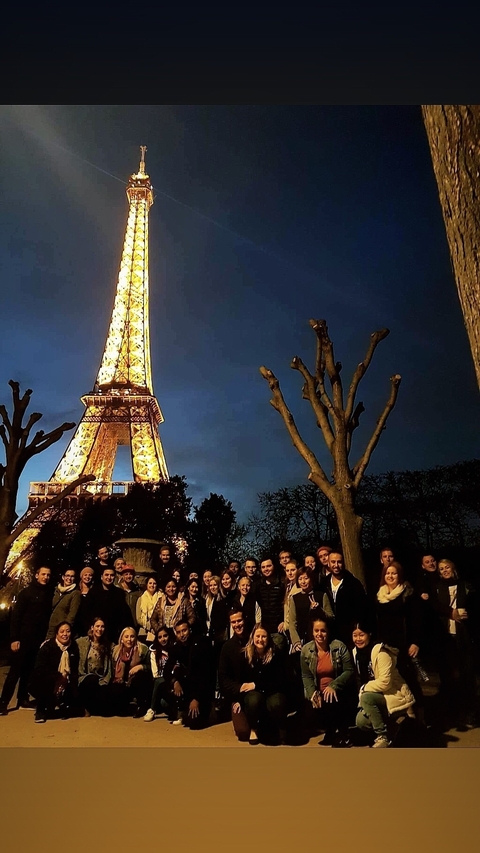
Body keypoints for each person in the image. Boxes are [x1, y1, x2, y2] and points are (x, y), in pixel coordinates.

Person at [352, 621, 415, 748]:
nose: (358, 639)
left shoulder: (380, 651)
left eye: (361, 635)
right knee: (361, 722)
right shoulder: (356, 653)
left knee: (366, 697)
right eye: (355, 635)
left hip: (391, 694)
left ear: (369, 634)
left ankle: (383, 737)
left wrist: (364, 689)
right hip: (375, 698)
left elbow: (385, 682)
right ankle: (393, 726)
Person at [0, 566, 53, 715]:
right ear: (37, 575)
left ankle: (22, 698)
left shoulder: (48, 593)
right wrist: (14, 638)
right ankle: (3, 702)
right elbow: (16, 617)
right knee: (15, 671)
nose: (46, 577)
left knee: (29, 671)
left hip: (38, 640)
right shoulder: (26, 593)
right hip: (23, 639)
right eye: (43, 574)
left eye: (48, 575)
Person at [375, 561, 424, 714]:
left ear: (399, 575)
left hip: (404, 644)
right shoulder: (379, 596)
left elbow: (416, 620)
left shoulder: (407, 595)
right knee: (392, 681)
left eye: (394, 573)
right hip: (385, 645)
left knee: (409, 680)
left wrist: (415, 642)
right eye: (388, 573)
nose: (390, 576)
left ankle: (420, 714)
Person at [433, 558, 477, 724]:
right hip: (446, 636)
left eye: (447, 567)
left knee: (467, 675)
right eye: (441, 569)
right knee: (450, 677)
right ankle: (453, 712)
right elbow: (435, 608)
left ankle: (470, 712)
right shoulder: (437, 588)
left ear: (453, 568)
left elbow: (474, 606)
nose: (444, 571)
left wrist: (469, 616)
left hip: (464, 636)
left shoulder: (465, 586)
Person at [300, 617, 354, 747]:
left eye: (323, 630)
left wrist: (333, 685)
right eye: (316, 630)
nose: (319, 634)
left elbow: (349, 670)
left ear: (328, 631)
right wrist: (312, 693)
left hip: (337, 690)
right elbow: (306, 675)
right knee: (309, 713)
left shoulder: (339, 647)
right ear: (312, 632)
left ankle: (341, 733)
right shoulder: (306, 650)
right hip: (318, 691)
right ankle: (330, 730)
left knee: (332, 700)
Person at [238, 624, 288, 744]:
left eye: (264, 636)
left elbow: (280, 681)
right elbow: (240, 682)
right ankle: (253, 729)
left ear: (268, 638)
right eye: (258, 636)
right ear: (253, 637)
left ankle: (280, 726)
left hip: (272, 692)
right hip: (253, 696)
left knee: (277, 702)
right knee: (252, 701)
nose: (260, 639)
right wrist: (237, 700)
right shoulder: (245, 655)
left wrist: (256, 685)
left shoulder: (277, 654)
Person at [29, 621, 80, 723]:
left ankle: (61, 702)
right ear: (56, 634)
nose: (65, 634)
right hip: (47, 680)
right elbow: (39, 669)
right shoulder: (47, 647)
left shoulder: (73, 647)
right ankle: (41, 710)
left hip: (65, 681)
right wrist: (59, 676)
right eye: (62, 631)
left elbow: (74, 669)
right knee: (45, 682)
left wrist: (69, 680)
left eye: (68, 631)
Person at [171, 620, 214, 729]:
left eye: (184, 630)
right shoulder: (176, 647)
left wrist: (196, 699)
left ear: (189, 630)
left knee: (194, 724)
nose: (182, 634)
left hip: (201, 691)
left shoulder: (200, 645)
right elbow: (167, 670)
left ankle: (211, 710)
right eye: (179, 632)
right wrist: (174, 681)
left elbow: (205, 676)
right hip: (185, 689)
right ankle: (181, 710)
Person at [218, 610, 252, 741]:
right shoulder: (227, 647)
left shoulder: (255, 641)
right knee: (243, 733)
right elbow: (224, 679)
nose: (237, 624)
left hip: (256, 691)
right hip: (238, 695)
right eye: (234, 622)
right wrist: (237, 694)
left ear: (244, 620)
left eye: (239, 620)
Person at [323, 551, 367, 645]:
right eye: (333, 562)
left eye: (339, 562)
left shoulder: (354, 584)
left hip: (348, 634)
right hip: (328, 634)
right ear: (328, 563)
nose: (336, 565)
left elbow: (361, 610)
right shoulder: (323, 584)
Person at [109, 627, 152, 717]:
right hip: (122, 683)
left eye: (132, 636)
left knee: (141, 676)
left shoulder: (142, 649)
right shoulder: (115, 651)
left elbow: (151, 667)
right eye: (126, 637)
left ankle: (141, 706)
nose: (129, 639)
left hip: (136, 682)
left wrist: (141, 667)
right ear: (121, 639)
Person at [77, 617, 113, 716]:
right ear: (92, 627)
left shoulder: (108, 645)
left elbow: (120, 647)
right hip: (85, 677)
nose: (100, 629)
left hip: (100, 679)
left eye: (102, 627)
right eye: (97, 626)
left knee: (105, 710)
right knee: (91, 680)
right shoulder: (81, 642)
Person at [288, 568, 331, 651]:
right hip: (302, 640)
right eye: (300, 579)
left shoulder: (322, 595)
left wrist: (319, 610)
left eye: (306, 578)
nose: (303, 582)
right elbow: (292, 623)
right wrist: (296, 642)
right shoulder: (294, 598)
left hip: (321, 639)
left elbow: (331, 617)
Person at [86, 567, 132, 643]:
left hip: (113, 634)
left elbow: (124, 615)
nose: (109, 577)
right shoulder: (93, 592)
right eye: (106, 575)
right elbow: (86, 612)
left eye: (111, 575)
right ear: (102, 577)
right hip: (96, 632)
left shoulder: (119, 593)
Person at [143, 627, 177, 722]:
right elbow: (155, 674)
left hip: (174, 681)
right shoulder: (154, 653)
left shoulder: (175, 649)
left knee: (166, 704)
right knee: (159, 682)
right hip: (161, 683)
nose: (163, 639)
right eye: (160, 637)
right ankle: (152, 710)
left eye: (165, 636)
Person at [255, 556, 287, 651]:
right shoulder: (258, 586)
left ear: (274, 566)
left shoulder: (282, 584)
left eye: (268, 566)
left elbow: (286, 604)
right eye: (263, 567)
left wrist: (284, 621)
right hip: (264, 629)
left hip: (279, 629)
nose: (266, 569)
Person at [46, 568, 81, 640]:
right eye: (67, 576)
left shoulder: (75, 593)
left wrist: (65, 629)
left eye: (72, 576)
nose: (69, 578)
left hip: (62, 631)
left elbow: (72, 614)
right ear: (63, 577)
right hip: (50, 628)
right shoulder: (56, 590)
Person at [136, 574, 162, 643]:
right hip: (144, 631)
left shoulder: (162, 598)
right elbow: (138, 618)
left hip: (159, 631)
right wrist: (150, 626)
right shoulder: (141, 599)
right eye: (150, 583)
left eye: (154, 583)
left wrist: (156, 627)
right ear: (146, 585)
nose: (152, 585)